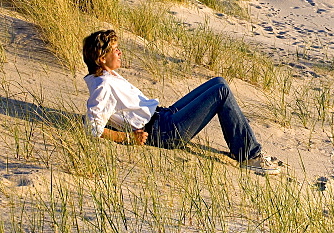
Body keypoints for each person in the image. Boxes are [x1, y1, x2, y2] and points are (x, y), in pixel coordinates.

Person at [81, 29, 279, 175]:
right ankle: (250, 155)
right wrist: (127, 138)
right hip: (165, 132)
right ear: (101, 58)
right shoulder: (102, 86)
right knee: (221, 92)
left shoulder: (106, 77)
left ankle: (244, 150)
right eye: (115, 50)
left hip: (163, 116)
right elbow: (92, 128)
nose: (120, 52)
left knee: (219, 82)